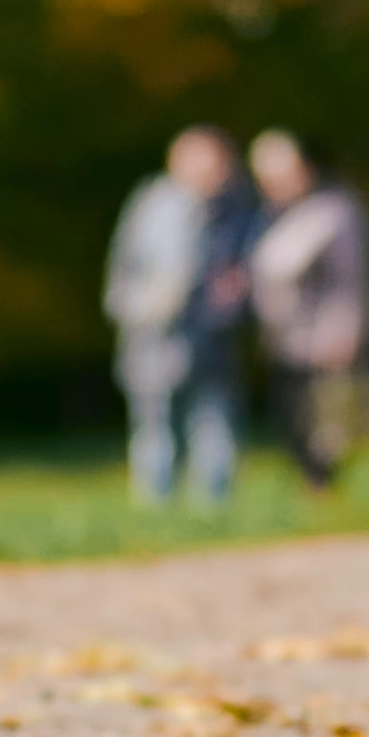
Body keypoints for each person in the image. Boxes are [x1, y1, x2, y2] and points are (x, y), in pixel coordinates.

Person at [103, 125, 255, 503]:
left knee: (214, 424)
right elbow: (122, 273)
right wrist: (141, 306)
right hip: (154, 341)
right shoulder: (151, 205)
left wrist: (237, 295)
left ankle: (215, 507)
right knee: (155, 427)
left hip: (213, 339)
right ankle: (156, 506)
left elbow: (249, 268)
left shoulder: (237, 209)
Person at [243, 128, 369, 493]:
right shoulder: (267, 217)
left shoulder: (334, 212)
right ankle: (312, 488)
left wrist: (346, 330)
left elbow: (350, 278)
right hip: (283, 339)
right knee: (292, 421)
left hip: (324, 338)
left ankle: (325, 488)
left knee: (329, 425)